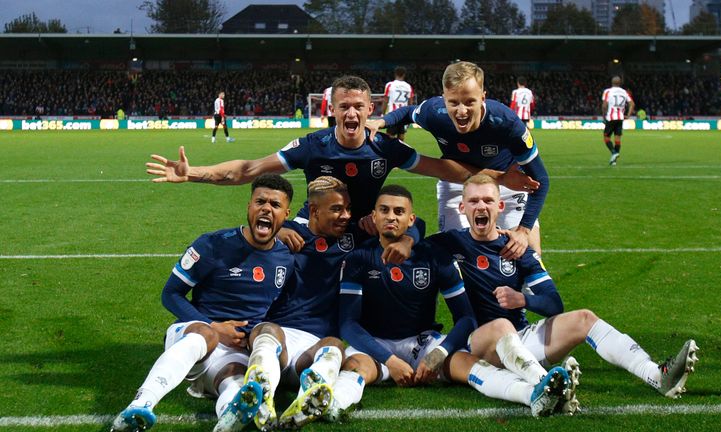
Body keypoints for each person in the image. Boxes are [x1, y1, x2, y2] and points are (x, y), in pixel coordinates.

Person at [145, 75, 537, 253]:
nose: (351, 114)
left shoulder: (385, 147)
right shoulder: (312, 146)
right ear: (331, 110)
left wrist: (502, 177)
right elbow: (248, 170)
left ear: (371, 110)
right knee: (272, 247)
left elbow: (442, 168)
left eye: (358, 107)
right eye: (343, 107)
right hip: (316, 232)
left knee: (409, 244)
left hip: (368, 232)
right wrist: (192, 173)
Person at [428, 174, 700, 401]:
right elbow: (411, 238)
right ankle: (542, 383)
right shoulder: (448, 243)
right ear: (462, 208)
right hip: (478, 343)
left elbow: (553, 304)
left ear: (500, 206)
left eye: (488, 200)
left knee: (584, 319)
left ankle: (656, 375)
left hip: (521, 339)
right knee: (500, 325)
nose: (481, 207)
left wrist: (523, 300)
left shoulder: (517, 249)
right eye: (473, 201)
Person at [336, 185, 573, 419]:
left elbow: (466, 318)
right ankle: (331, 405)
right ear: (374, 216)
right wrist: (390, 361)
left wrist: (439, 353)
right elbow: (348, 324)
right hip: (376, 344)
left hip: (423, 343)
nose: (391, 217)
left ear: (411, 220)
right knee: (355, 369)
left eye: (399, 212)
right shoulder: (358, 258)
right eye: (384, 210)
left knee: (472, 366)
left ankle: (534, 394)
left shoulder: (435, 255)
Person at [110, 174, 295, 432]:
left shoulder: (285, 260)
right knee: (205, 335)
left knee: (234, 384)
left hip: (236, 351)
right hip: (193, 337)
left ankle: (228, 421)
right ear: (249, 207)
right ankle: (139, 405)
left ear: (286, 214)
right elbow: (171, 294)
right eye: (260, 201)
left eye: (275, 205)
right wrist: (213, 326)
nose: (266, 208)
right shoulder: (212, 245)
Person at [214, 176, 356, 432]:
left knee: (335, 346)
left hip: (313, 345)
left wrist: (408, 236)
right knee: (267, 331)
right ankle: (261, 397)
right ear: (313, 211)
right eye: (337, 209)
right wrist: (278, 231)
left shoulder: (352, 238)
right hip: (277, 334)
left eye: (348, 209)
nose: (345, 216)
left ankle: (309, 397)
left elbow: (415, 226)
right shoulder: (285, 233)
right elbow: (252, 233)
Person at [366, 61, 546, 258]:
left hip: (507, 186)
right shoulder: (434, 112)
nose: (461, 111)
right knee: (456, 258)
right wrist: (381, 121)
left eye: (470, 102)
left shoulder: (507, 123)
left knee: (529, 255)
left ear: (483, 97)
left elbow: (541, 180)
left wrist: (523, 231)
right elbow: (408, 112)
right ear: (444, 99)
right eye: (453, 102)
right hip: (456, 184)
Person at [601, 76, 634, 166]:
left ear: (612, 82)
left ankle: (613, 152)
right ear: (620, 83)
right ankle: (614, 161)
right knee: (617, 139)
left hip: (611, 117)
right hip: (620, 118)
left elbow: (604, 105)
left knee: (606, 137)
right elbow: (632, 104)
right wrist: (628, 115)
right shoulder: (624, 92)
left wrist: (604, 116)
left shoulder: (607, 91)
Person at [382, 66, 414, 140]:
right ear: (404, 74)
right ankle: (400, 151)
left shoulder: (390, 85)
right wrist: (409, 117)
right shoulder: (408, 86)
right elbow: (411, 104)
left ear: (395, 74)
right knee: (401, 136)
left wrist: (383, 113)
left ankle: (389, 151)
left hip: (393, 114)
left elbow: (385, 100)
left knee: (389, 137)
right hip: (404, 114)